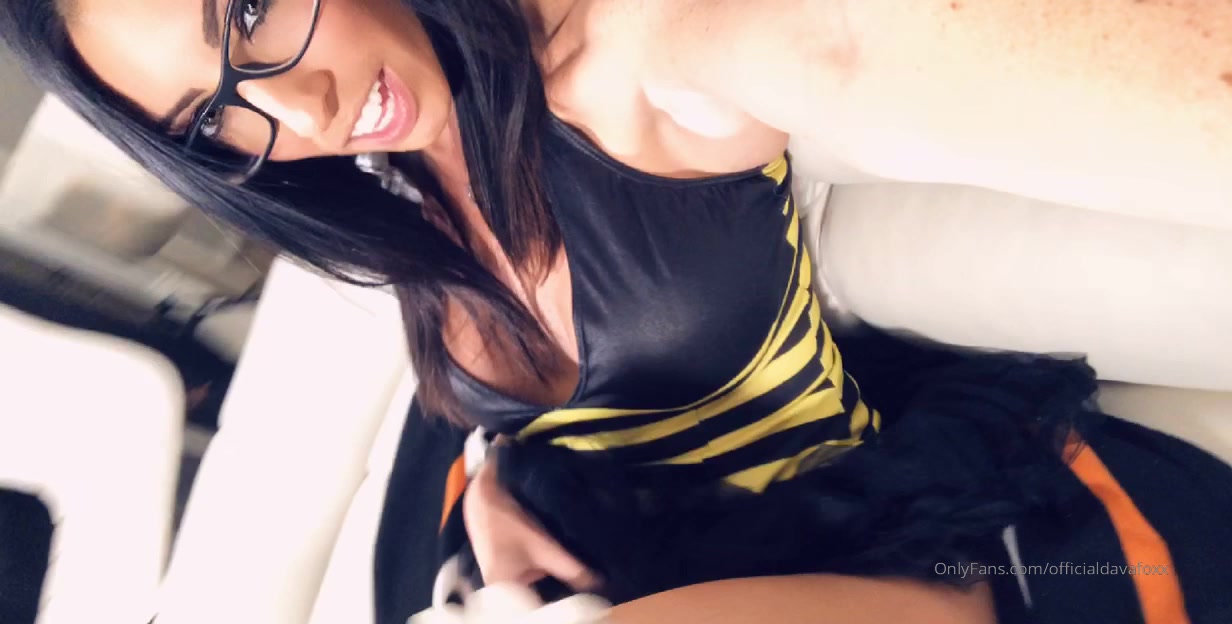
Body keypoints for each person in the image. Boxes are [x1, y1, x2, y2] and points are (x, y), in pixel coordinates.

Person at [2, 0, 1230, 622]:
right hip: (594, 541)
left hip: (900, 552)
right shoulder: (393, 169)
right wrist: (493, 477)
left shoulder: (643, 55)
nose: (300, 114)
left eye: (247, 11)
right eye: (212, 118)